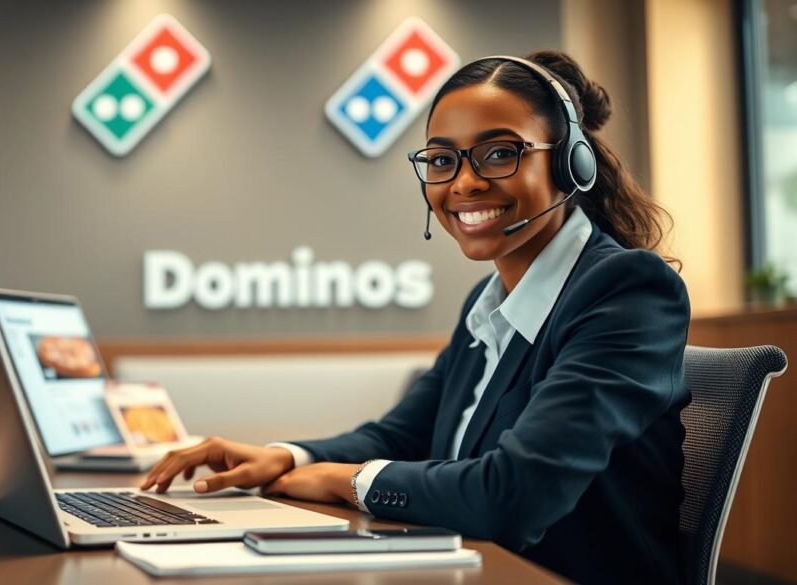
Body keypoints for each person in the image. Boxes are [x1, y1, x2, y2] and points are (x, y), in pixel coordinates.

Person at [140, 50, 690, 585]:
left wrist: (345, 481)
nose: (464, 183)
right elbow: (403, 435)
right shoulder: (489, 300)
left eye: (499, 153)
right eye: (442, 159)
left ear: (572, 163)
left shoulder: (626, 292)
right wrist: (285, 457)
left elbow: (513, 495)